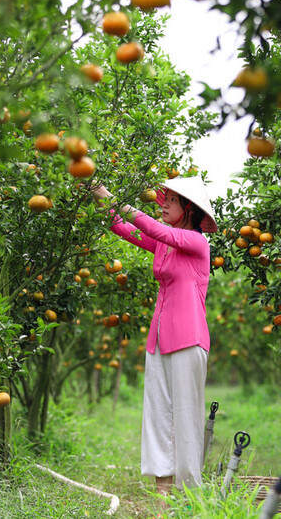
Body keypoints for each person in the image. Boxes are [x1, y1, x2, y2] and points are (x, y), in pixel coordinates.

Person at [91, 176, 217, 493]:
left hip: (189, 339)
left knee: (186, 418)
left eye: (171, 201)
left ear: (188, 208)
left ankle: (190, 495)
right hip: (159, 339)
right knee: (159, 414)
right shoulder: (164, 245)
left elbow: (153, 227)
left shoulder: (197, 242)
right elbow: (122, 226)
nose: (163, 204)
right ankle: (163, 495)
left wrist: (112, 195)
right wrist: (96, 192)